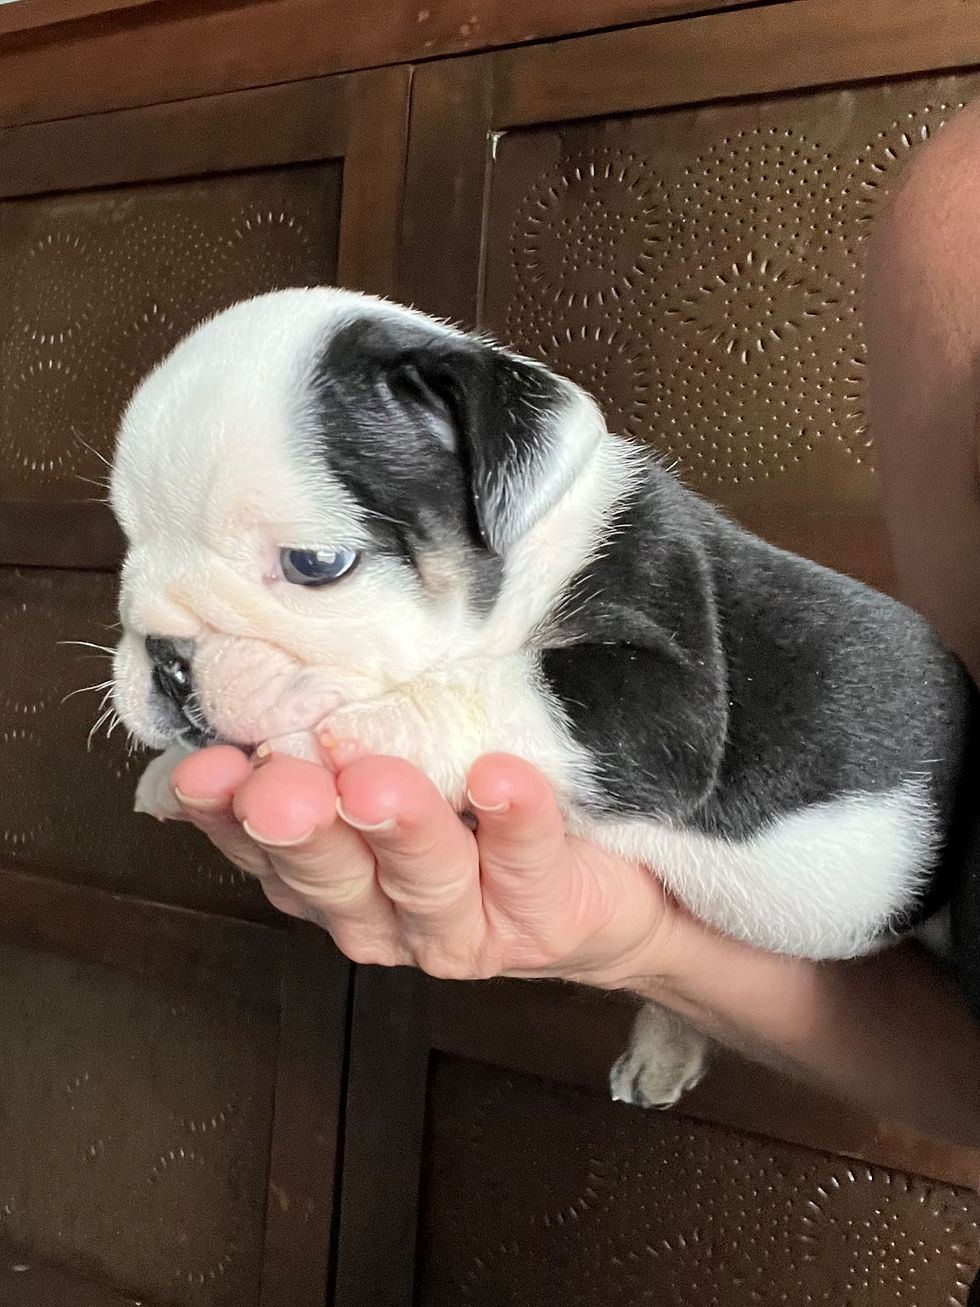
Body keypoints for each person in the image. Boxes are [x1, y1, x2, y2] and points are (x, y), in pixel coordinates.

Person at [167, 98, 980, 1151]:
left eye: (314, 562)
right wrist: (646, 946)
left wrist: (398, 724)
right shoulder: (955, 219)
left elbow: (656, 722)